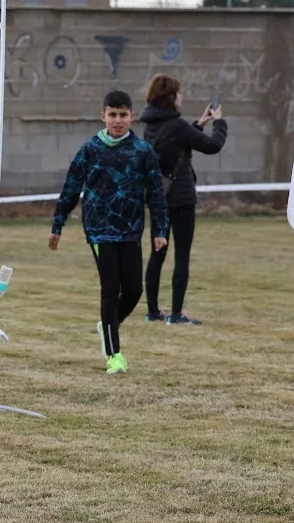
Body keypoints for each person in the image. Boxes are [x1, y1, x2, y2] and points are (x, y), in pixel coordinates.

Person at [48, 90, 169, 374]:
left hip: (130, 230)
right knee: (110, 289)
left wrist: (160, 230)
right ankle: (114, 355)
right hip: (99, 230)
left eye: (123, 115)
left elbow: (156, 193)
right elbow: (71, 188)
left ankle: (107, 324)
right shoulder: (90, 149)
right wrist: (58, 224)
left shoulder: (143, 151)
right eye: (112, 115)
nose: (117, 120)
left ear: (132, 117)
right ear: (103, 116)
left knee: (134, 290)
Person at [139, 74, 228, 325]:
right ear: (171, 97)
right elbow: (213, 145)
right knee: (182, 255)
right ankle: (176, 314)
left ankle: (153, 311)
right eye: (179, 93)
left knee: (157, 253)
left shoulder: (151, 125)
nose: (181, 97)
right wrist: (219, 122)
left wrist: (198, 124)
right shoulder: (177, 125)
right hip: (181, 198)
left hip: (159, 198)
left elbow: (173, 145)